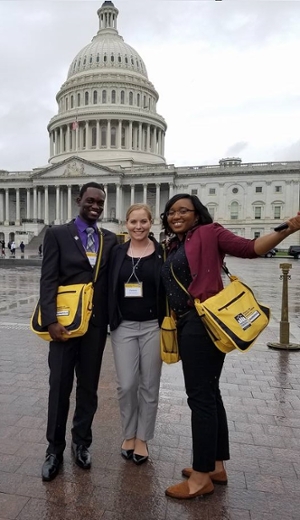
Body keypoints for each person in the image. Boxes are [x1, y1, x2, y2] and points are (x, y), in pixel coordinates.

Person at [160, 193, 300, 500]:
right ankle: (216, 465)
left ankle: (200, 478)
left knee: (200, 398)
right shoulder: (173, 244)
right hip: (187, 323)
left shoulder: (211, 233)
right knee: (210, 392)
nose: (176, 215)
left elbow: (250, 249)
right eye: (171, 212)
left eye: (184, 210)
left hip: (202, 323)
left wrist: (287, 229)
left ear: (197, 215)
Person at [39, 182, 117, 482]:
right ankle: (54, 449)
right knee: (59, 387)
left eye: (100, 202)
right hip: (63, 324)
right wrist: (50, 321)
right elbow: (48, 279)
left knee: (88, 389)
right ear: (79, 200)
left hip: (95, 326)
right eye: (90, 200)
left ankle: (82, 444)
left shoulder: (108, 239)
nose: (95, 206)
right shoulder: (57, 234)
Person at [108, 203, 166, 465]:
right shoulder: (117, 252)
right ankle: (128, 432)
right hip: (124, 326)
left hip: (154, 325)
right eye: (133, 222)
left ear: (151, 223)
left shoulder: (162, 252)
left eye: (143, 221)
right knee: (127, 385)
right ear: (126, 224)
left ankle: (142, 438)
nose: (138, 226)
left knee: (149, 385)